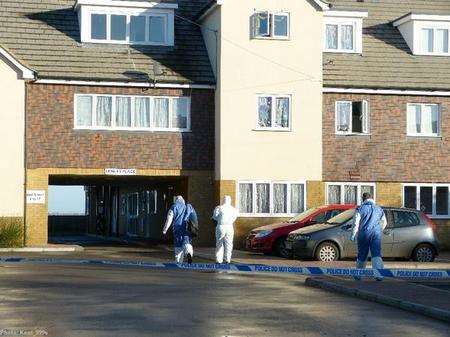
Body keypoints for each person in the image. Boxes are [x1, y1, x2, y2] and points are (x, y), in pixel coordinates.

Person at [351, 192, 387, 281]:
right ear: (372, 198)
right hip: (376, 234)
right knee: (376, 254)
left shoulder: (360, 208)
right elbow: (384, 222)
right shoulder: (379, 209)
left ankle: (358, 275)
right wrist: (379, 230)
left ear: (363, 199)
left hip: (364, 234)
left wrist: (353, 234)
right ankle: (378, 275)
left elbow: (356, 223)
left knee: (362, 254)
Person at [162, 196, 196, 264]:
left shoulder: (174, 207)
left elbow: (169, 219)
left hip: (177, 229)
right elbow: (194, 218)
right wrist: (195, 228)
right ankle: (189, 253)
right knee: (186, 242)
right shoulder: (188, 207)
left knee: (178, 246)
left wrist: (165, 230)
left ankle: (178, 262)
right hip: (187, 229)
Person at [212, 195, 238, 264]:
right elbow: (235, 217)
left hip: (221, 226)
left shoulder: (219, 208)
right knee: (229, 244)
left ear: (223, 200)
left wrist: (220, 219)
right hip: (230, 227)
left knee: (219, 243)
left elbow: (215, 217)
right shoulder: (233, 209)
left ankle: (218, 260)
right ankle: (227, 259)